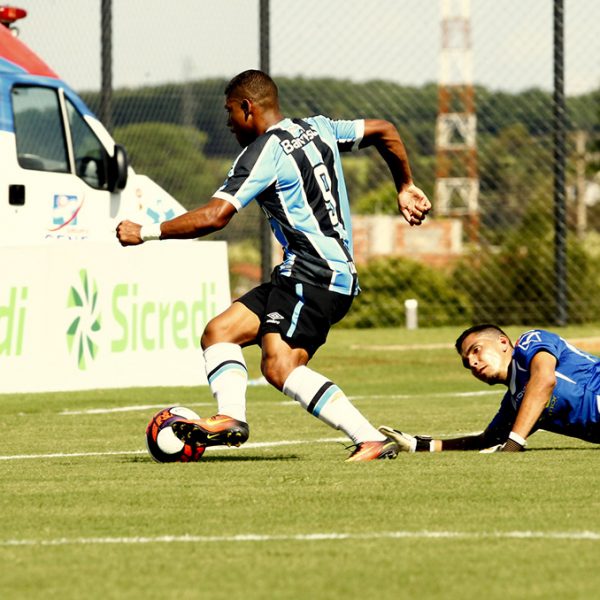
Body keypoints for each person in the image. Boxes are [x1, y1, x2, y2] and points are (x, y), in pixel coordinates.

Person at [116, 69, 432, 461]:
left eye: (229, 111)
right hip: (309, 274)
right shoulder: (319, 128)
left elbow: (216, 216)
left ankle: (368, 437)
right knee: (220, 333)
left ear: (247, 107)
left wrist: (146, 231)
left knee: (279, 366)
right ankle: (231, 418)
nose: (228, 122)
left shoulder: (262, 153)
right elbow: (384, 129)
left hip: (314, 274)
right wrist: (405, 184)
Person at [380, 324, 600, 452]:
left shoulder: (530, 342)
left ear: (503, 342)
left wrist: (513, 445)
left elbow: (544, 381)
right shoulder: (515, 402)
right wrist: (418, 445)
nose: (473, 363)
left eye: (476, 350)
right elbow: (487, 440)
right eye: (467, 364)